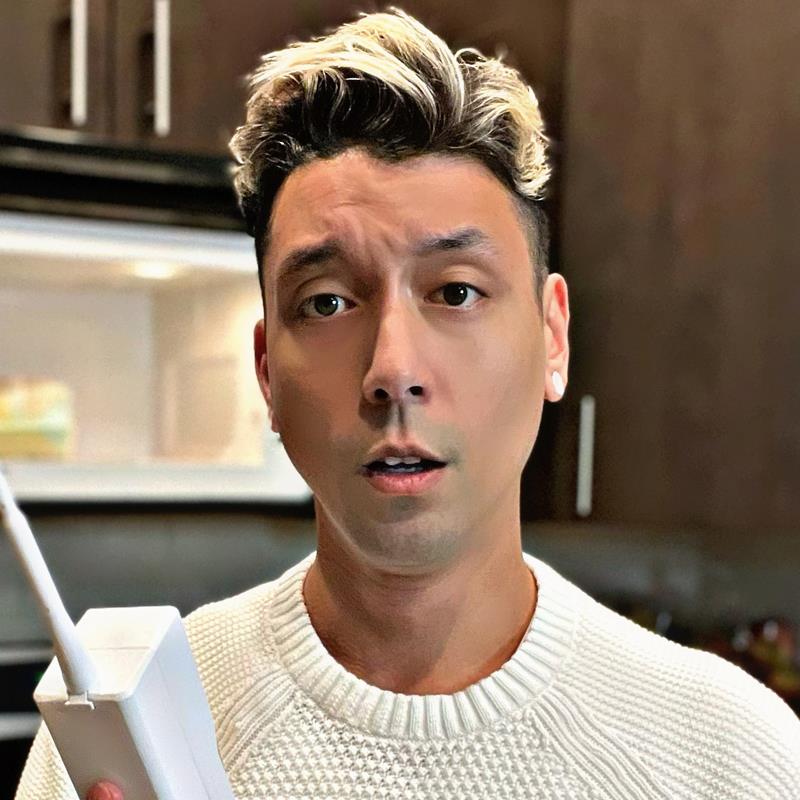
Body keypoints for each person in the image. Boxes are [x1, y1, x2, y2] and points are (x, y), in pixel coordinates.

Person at [15, 8, 800, 800]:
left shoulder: (734, 756)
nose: (393, 369)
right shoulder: (126, 747)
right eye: (326, 303)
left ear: (552, 338)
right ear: (266, 371)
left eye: (455, 293)